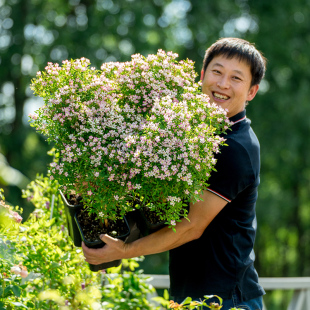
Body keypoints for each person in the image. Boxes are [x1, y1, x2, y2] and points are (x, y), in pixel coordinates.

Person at [82, 37, 267, 310]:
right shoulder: (192, 130)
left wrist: (126, 250)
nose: (223, 84)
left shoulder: (235, 147)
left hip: (225, 300)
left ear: (251, 91)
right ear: (202, 75)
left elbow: (192, 226)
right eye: (217, 72)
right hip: (191, 294)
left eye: (236, 78)